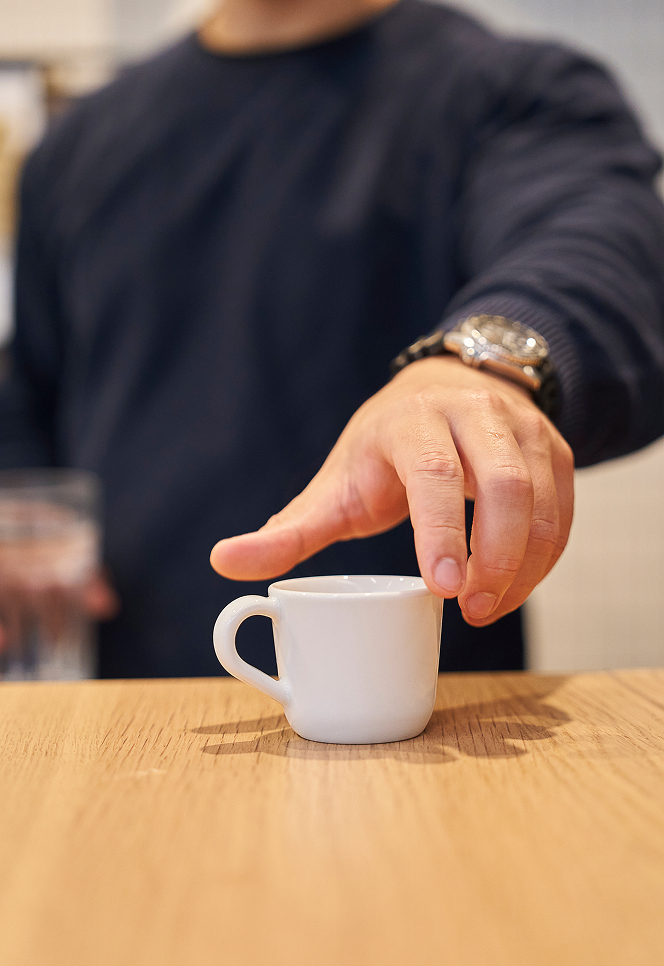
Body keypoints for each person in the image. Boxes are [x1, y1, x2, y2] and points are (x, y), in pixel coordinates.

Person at [2, 0, 664, 678]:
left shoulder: (513, 90)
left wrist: (477, 366)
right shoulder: (79, 143)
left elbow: (596, 246)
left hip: (422, 724)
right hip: (128, 704)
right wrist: (18, 518)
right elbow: (30, 389)